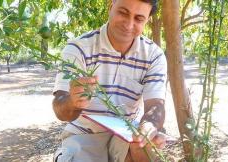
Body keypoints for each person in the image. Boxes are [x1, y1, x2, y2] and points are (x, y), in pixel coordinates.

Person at [52, 0, 167, 161]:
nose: (128, 24)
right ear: (110, 5)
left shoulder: (154, 55)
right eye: (123, 13)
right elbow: (60, 110)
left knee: (143, 148)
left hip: (125, 133)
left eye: (139, 19)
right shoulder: (78, 48)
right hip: (84, 135)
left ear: (147, 20)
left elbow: (155, 105)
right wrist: (72, 101)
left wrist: (150, 125)